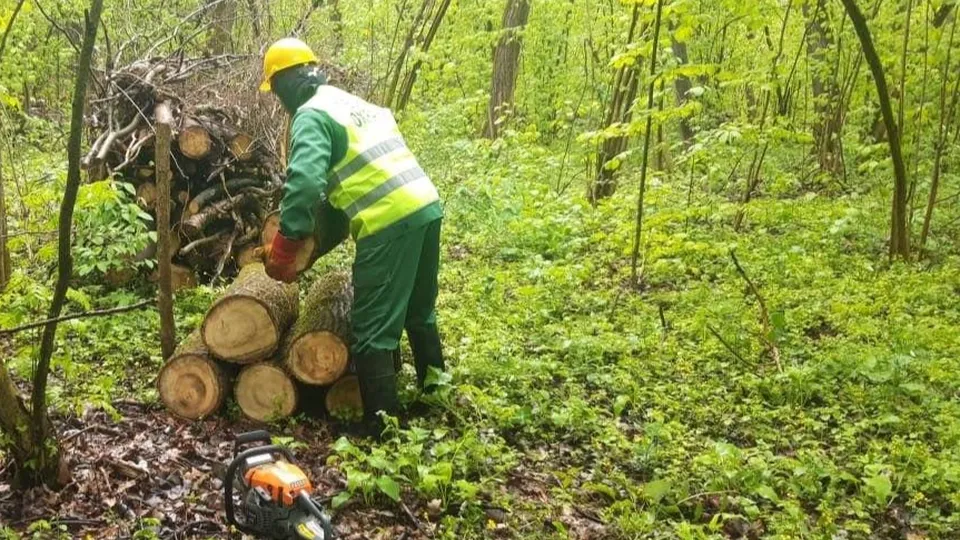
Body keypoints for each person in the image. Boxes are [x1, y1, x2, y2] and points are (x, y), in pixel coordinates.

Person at [259, 37, 445, 434]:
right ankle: (436, 394)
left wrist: (286, 247)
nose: (279, 101)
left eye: (275, 91)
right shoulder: (355, 105)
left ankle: (381, 426)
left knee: (372, 325)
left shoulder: (311, 115)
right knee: (419, 310)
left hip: (389, 219)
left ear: (285, 83)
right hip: (426, 205)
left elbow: (305, 184)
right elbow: (352, 176)